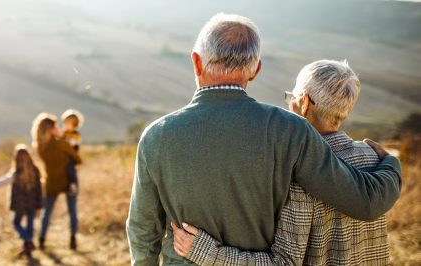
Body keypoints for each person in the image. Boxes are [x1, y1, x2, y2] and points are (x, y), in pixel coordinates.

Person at [126, 13, 401, 266]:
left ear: (196, 61)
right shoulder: (290, 129)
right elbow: (363, 201)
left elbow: (143, 230)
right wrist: (390, 164)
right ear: (256, 69)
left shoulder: (156, 135)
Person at [172, 59, 391, 265]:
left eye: (291, 98)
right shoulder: (373, 157)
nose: (289, 105)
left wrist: (208, 253)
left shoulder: (297, 170)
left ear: (304, 103)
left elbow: (285, 262)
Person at [32, 113, 82, 251]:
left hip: (52, 181)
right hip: (69, 180)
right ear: (52, 128)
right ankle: (73, 240)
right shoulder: (62, 144)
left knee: (46, 213)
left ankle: (41, 240)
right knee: (72, 211)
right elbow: (78, 159)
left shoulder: (40, 147)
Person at [0, 144, 43, 258]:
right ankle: (28, 244)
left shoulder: (15, 173)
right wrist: (39, 204)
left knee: (16, 223)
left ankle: (27, 242)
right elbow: (39, 189)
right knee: (30, 225)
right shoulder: (35, 170)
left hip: (20, 205)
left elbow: (2, 182)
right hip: (32, 203)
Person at [60, 109, 84, 196]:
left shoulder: (76, 134)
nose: (65, 126)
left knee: (70, 168)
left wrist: (66, 140)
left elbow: (74, 144)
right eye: (65, 123)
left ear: (74, 125)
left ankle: (72, 184)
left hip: (72, 156)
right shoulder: (64, 132)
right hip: (63, 156)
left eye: (68, 124)